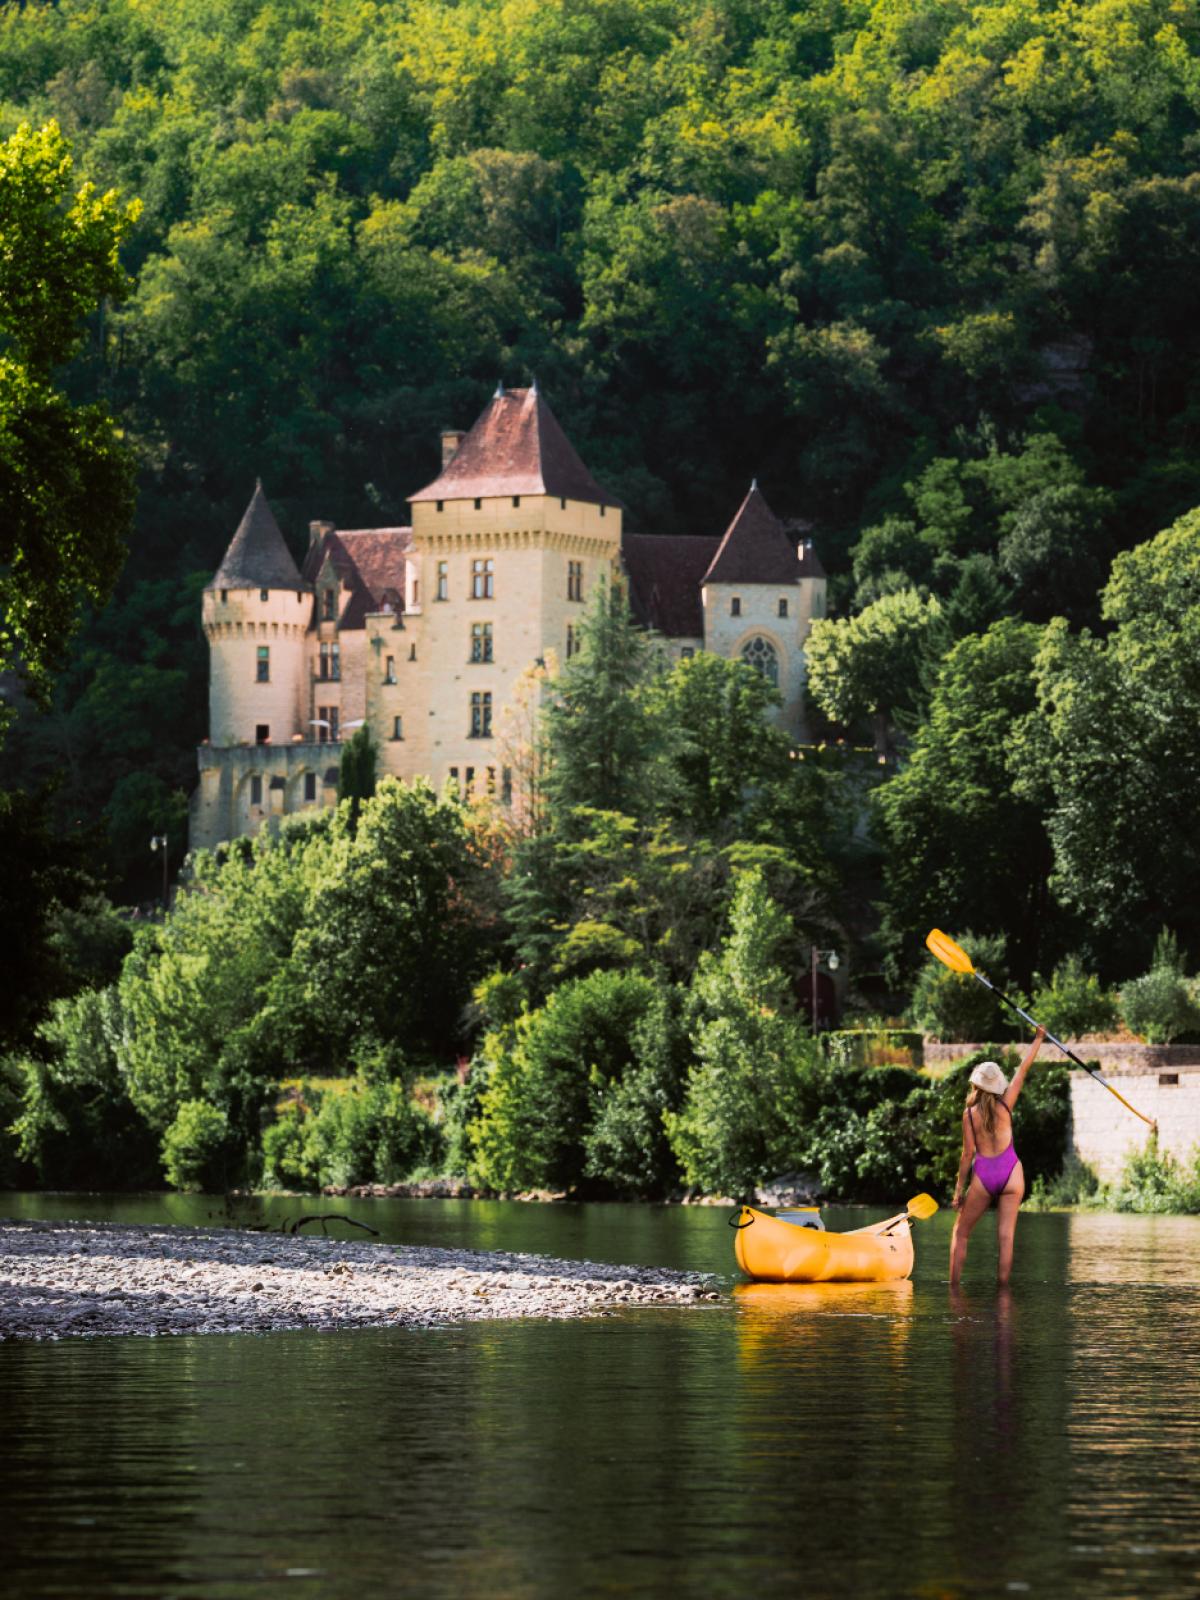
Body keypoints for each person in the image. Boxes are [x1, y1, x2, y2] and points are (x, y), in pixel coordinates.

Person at [949, 1027, 1046, 1287]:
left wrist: (959, 1190)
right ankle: (1003, 1294)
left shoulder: (969, 1115)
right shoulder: (1006, 1104)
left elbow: (967, 1154)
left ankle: (954, 1292)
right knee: (1006, 1237)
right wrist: (1038, 1038)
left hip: (984, 1177)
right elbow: (1022, 1069)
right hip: (1012, 1173)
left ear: (975, 1084)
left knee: (961, 1233)